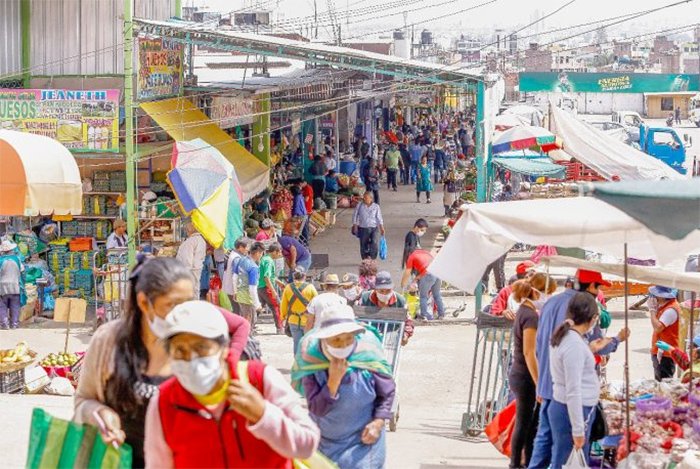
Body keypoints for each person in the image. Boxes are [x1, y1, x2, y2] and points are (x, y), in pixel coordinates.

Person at [74, 256, 250, 467]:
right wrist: (99, 414)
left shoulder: (201, 342)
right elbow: (83, 401)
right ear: (143, 303)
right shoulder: (108, 342)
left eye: (188, 303)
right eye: (172, 305)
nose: (182, 314)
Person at [144, 300, 320, 467]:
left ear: (223, 348)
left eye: (201, 348)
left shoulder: (260, 379)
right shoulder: (165, 402)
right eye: (179, 350)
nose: (191, 359)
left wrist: (263, 415)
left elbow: (307, 445)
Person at [529, 270, 629, 468]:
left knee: (544, 444)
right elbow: (574, 390)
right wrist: (617, 339)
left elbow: (539, 346)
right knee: (565, 457)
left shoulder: (552, 304)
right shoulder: (578, 327)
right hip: (567, 400)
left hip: (550, 389)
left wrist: (540, 384)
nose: (599, 292)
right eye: (598, 286)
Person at [293, 304, 396, 469]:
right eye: (336, 339)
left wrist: (378, 422)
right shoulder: (312, 364)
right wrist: (333, 381)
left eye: (348, 338)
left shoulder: (368, 358)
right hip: (324, 443)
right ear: (324, 340)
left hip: (363, 442)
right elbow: (316, 409)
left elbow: (387, 393)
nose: (343, 345)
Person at [548, 292, 601, 469]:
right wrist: (578, 430)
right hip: (571, 410)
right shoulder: (573, 344)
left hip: (568, 408)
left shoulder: (569, 338)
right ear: (593, 318)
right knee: (566, 461)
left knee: (565, 460)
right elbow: (573, 389)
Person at [508, 279, 544, 469]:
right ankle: (520, 463)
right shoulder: (530, 316)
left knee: (524, 422)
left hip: (520, 373)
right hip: (525, 376)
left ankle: (518, 462)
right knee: (526, 424)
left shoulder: (524, 311)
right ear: (537, 292)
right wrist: (538, 382)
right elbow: (529, 352)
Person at [358, 271, 415, 345]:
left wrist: (405, 335)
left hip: (390, 340)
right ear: (375, 289)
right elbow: (355, 319)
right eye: (381, 291)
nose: (385, 294)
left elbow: (408, 321)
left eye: (388, 290)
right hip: (368, 339)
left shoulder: (400, 301)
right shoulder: (365, 298)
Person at [280, 267, 318, 354]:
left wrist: (283, 317)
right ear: (304, 276)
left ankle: (297, 364)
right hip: (308, 320)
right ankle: (307, 364)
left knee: (297, 343)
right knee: (308, 343)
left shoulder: (288, 288)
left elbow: (283, 305)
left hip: (293, 320)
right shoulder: (311, 288)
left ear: (294, 277)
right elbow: (317, 303)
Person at [401, 249, 445, 321]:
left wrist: (402, 284)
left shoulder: (411, 257)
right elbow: (426, 269)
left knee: (423, 296)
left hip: (429, 275)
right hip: (437, 272)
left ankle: (423, 316)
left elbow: (407, 273)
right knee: (437, 295)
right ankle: (441, 315)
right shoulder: (425, 253)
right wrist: (416, 278)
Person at [648, 285, 681, 381]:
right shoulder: (665, 307)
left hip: (665, 354)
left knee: (664, 384)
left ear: (662, 296)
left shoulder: (670, 310)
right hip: (662, 352)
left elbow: (658, 327)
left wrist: (652, 311)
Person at [235, 242, 265, 327]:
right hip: (248, 298)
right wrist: (257, 305)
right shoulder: (253, 267)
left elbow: (235, 276)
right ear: (258, 253)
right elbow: (252, 288)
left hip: (240, 295)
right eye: (261, 253)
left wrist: (235, 292)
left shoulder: (242, 260)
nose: (261, 256)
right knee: (249, 323)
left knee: (244, 320)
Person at [258, 243, 284, 335]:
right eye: (279, 252)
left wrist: (279, 283)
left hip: (260, 287)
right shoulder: (269, 261)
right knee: (276, 306)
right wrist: (273, 292)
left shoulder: (264, 259)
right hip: (266, 288)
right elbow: (266, 277)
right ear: (275, 252)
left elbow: (269, 276)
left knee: (259, 307)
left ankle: (250, 327)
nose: (281, 254)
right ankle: (280, 328)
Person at [176, 222, 207, 294]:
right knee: (195, 289)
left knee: (189, 291)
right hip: (197, 268)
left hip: (190, 270)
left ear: (189, 230)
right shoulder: (201, 240)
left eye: (186, 230)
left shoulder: (190, 241)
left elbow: (187, 259)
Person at [352, 191, 385, 261]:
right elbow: (355, 215)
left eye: (366, 198)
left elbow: (379, 218)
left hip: (374, 228)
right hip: (363, 228)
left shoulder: (376, 207)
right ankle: (364, 259)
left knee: (374, 243)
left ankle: (372, 259)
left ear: (371, 199)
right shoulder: (359, 205)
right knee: (363, 244)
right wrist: (355, 225)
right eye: (364, 197)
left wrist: (382, 228)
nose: (364, 199)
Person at [0, 239, 23, 330]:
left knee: (2, 305)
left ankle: (4, 324)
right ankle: (14, 324)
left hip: (2, 286)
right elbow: (22, 271)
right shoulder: (17, 259)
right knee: (15, 305)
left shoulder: (0, 260)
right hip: (15, 284)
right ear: (11, 250)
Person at [222, 238, 249, 313]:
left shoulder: (232, 253)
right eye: (246, 247)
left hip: (230, 288)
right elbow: (235, 276)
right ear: (240, 247)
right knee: (238, 311)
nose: (248, 249)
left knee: (236, 310)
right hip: (233, 289)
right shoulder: (236, 258)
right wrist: (236, 292)